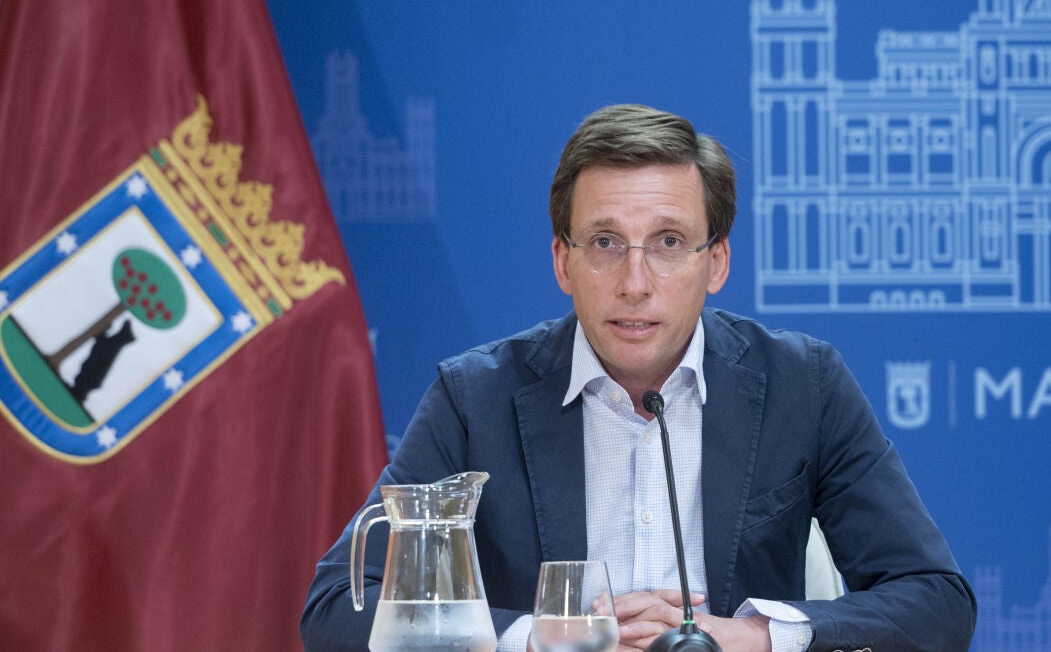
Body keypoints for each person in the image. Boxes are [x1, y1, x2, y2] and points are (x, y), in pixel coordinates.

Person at [300, 104, 976, 651]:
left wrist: (756, 637)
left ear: (717, 262)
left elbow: (936, 601)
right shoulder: (476, 398)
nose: (634, 283)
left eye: (669, 243)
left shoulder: (803, 383)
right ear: (562, 262)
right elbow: (336, 609)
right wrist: (540, 640)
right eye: (604, 243)